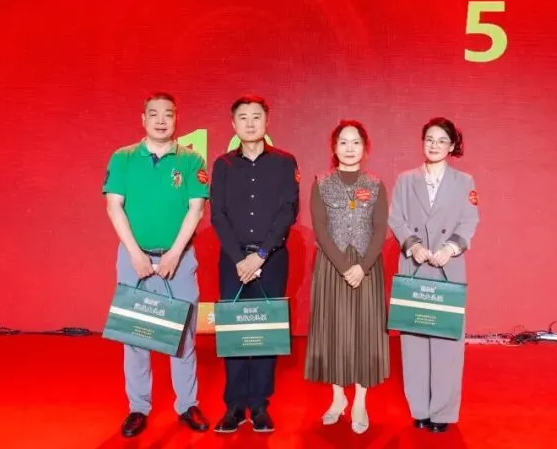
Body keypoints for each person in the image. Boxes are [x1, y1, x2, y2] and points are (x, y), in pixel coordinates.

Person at [102, 92, 211, 439]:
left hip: (178, 257)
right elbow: (114, 206)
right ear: (143, 119)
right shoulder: (123, 157)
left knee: (183, 333)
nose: (161, 120)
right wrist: (135, 253)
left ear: (177, 119)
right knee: (134, 334)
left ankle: (187, 404)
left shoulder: (191, 160)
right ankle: (138, 407)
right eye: (154, 114)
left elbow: (196, 209)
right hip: (133, 256)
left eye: (168, 114)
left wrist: (174, 254)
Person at [209, 95, 299, 433]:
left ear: (267, 121)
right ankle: (233, 406)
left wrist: (259, 255)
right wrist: (239, 258)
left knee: (265, 332)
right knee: (234, 333)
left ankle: (260, 405)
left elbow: (288, 211)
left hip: (271, 260)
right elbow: (217, 215)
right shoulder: (222, 164)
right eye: (243, 117)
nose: (250, 123)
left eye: (256, 116)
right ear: (233, 124)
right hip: (232, 260)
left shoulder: (284, 162)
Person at [387, 117, 479, 433]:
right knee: (413, 340)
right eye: (429, 139)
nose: (435, 145)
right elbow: (396, 219)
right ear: (422, 142)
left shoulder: (465, 182)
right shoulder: (406, 179)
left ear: (452, 146)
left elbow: (469, 221)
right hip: (414, 265)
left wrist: (450, 248)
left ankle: (442, 411)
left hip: (446, 267)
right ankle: (420, 409)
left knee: (447, 341)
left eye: (442, 140)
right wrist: (412, 245)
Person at [304, 119, 389, 434]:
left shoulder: (376, 184)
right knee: (334, 330)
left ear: (365, 148)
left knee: (365, 331)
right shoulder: (321, 182)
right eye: (343, 142)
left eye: (356, 142)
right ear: (334, 147)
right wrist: (343, 266)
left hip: (367, 266)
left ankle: (360, 402)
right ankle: (338, 398)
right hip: (332, 265)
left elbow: (380, 228)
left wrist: (362, 267)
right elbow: (320, 229)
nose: (349, 148)